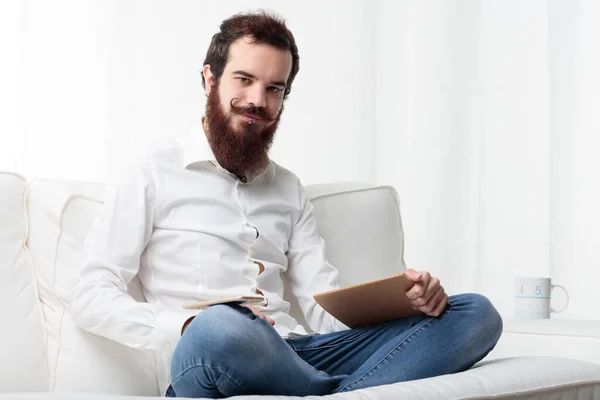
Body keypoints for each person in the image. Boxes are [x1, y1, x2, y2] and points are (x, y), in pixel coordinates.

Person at [70, 10, 502, 399]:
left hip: (302, 353)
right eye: (244, 79)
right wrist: (183, 326)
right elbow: (90, 294)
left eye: (274, 88)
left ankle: (331, 393)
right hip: (210, 354)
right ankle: (340, 392)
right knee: (223, 324)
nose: (258, 100)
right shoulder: (153, 172)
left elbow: (322, 308)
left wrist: (408, 305)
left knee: (475, 313)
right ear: (210, 79)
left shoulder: (289, 189)